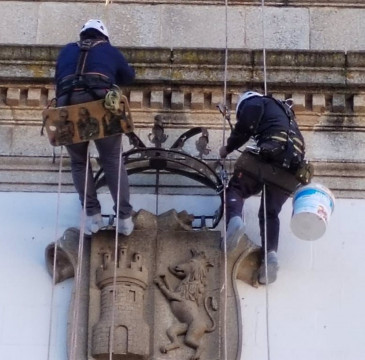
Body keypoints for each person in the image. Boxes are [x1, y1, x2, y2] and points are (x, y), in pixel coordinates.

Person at [55, 19, 135, 236]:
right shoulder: (108, 50)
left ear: (83, 35)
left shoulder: (66, 51)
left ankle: (92, 215)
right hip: (100, 103)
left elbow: (58, 79)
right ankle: (125, 217)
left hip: (67, 105)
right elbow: (128, 77)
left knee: (79, 162)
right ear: (104, 37)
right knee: (111, 160)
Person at [219, 91, 307, 284]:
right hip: (291, 169)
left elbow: (246, 126)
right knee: (270, 214)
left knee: (236, 189)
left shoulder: (255, 102)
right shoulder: (287, 114)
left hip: (268, 155)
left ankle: (235, 221)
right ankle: (271, 256)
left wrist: (228, 147)